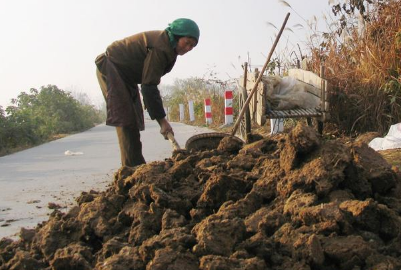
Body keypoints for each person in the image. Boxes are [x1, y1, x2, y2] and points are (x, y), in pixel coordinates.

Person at [95, 18, 199, 167]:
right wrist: (162, 122)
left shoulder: (169, 48)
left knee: (134, 118)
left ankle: (135, 166)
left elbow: (149, 83)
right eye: (187, 42)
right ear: (177, 36)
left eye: (193, 46)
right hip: (112, 68)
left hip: (127, 76)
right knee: (126, 119)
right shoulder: (161, 47)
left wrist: (161, 119)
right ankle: (132, 170)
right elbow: (149, 86)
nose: (189, 48)